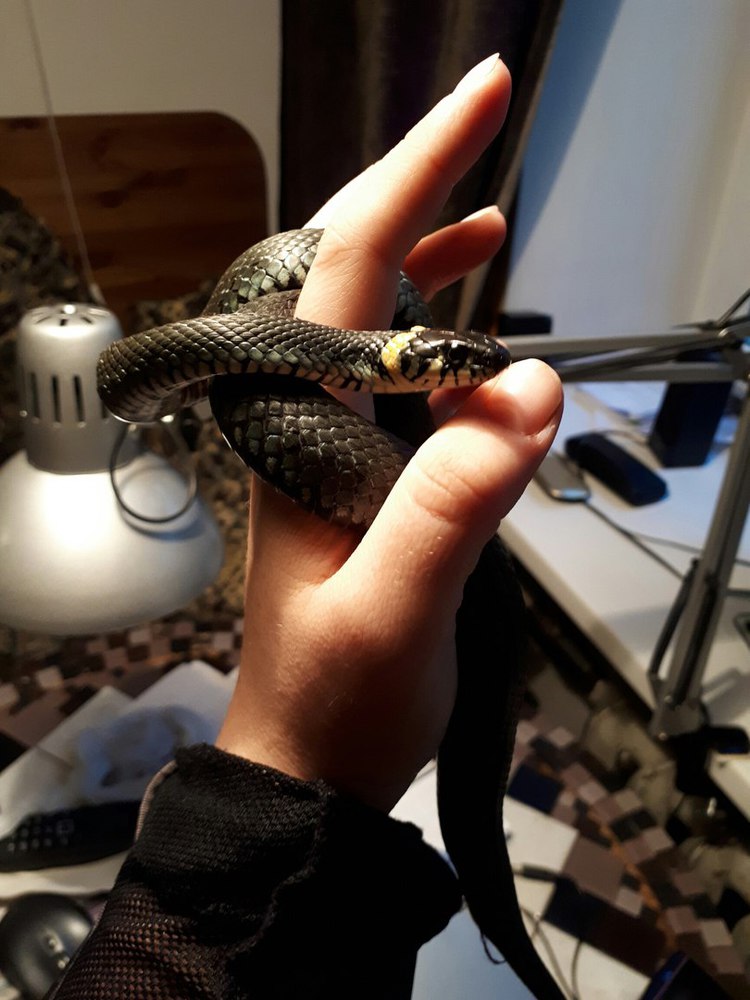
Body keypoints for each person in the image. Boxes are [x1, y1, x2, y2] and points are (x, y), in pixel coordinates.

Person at [53, 54, 562, 998]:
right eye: (449, 361)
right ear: (403, 357)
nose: (462, 367)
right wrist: (300, 773)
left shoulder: (334, 350)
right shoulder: (310, 348)